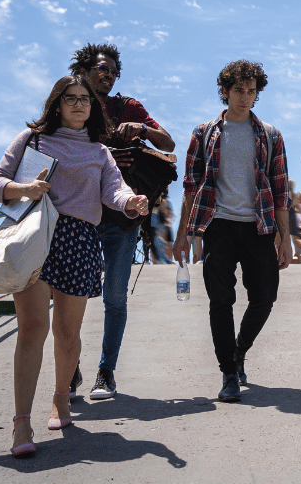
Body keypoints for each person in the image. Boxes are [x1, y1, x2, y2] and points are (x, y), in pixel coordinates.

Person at [0, 75, 148, 457]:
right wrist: (23, 189)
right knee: (32, 327)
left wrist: (130, 202)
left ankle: (61, 398)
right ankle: (21, 423)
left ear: (92, 108)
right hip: (35, 236)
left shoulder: (99, 151)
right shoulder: (32, 140)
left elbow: (113, 189)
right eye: (70, 99)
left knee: (67, 332)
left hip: (79, 241)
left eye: (85, 100)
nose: (78, 105)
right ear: (57, 103)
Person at [172, 60, 292, 403]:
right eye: (238, 90)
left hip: (259, 226)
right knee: (220, 300)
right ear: (224, 92)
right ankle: (228, 373)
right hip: (218, 224)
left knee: (265, 298)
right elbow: (191, 187)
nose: (245, 97)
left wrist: (284, 239)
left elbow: (281, 190)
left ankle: (239, 352)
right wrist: (184, 235)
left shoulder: (270, 135)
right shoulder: (204, 132)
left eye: (251, 91)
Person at [69, 43, 175, 401]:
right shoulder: (69, 104)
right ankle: (70, 368)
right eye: (102, 68)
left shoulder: (128, 106)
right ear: (83, 69)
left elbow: (168, 141)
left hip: (122, 215)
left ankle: (106, 372)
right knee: (71, 295)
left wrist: (141, 131)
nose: (108, 75)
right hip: (77, 214)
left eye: (114, 71)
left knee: (114, 296)